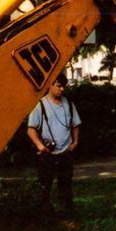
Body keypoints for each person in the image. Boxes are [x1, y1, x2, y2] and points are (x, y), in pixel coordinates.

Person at [27, 73, 82, 216]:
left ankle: (66, 213)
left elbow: (75, 124)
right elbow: (31, 130)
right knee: (44, 185)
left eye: (64, 86)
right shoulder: (40, 105)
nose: (62, 89)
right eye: (59, 86)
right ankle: (44, 215)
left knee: (65, 184)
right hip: (47, 153)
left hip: (66, 151)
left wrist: (75, 142)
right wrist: (40, 145)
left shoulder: (68, 104)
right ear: (50, 85)